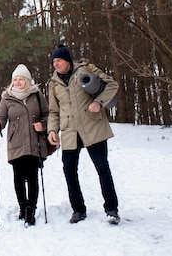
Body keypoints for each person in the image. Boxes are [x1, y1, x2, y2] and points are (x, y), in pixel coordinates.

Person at [46, 44, 121, 225]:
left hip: (92, 127)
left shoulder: (86, 69)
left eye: (59, 60)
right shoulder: (53, 84)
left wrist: (98, 102)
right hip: (70, 132)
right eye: (53, 61)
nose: (55, 64)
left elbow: (112, 84)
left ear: (67, 60)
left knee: (102, 168)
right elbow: (53, 112)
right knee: (69, 170)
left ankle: (112, 209)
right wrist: (52, 130)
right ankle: (78, 210)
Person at [0, 64, 49, 226]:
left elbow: (47, 115)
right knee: (18, 177)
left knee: (32, 177)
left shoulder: (37, 95)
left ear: (27, 80)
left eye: (21, 79)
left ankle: (31, 209)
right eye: (15, 79)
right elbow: (1, 118)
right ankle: (22, 207)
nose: (17, 82)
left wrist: (42, 125)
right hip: (15, 142)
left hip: (34, 142)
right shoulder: (7, 98)